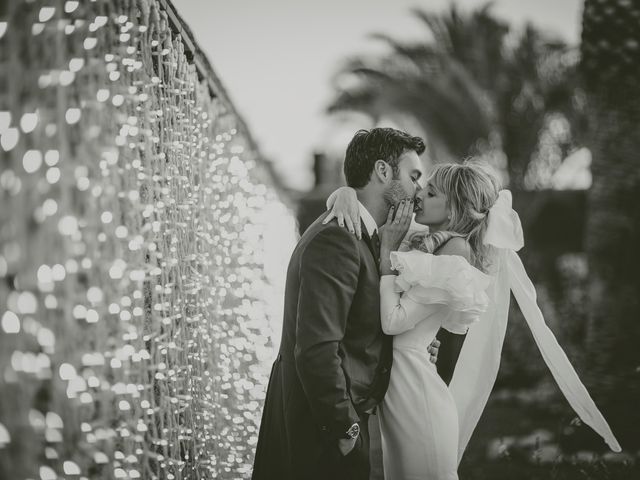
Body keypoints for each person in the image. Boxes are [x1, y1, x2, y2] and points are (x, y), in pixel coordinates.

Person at [325, 161, 621, 479]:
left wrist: (386, 258)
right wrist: (343, 193)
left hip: (417, 399)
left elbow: (393, 322)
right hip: (402, 390)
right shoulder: (428, 241)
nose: (418, 193)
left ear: (452, 211)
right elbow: (371, 207)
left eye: (431, 191)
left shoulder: (454, 253)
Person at [251, 128, 440, 480]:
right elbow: (317, 349)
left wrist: (415, 340)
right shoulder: (337, 239)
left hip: (336, 426)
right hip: (322, 435)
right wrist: (346, 430)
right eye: (413, 176)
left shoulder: (362, 236)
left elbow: (358, 327)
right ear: (383, 171)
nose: (418, 190)